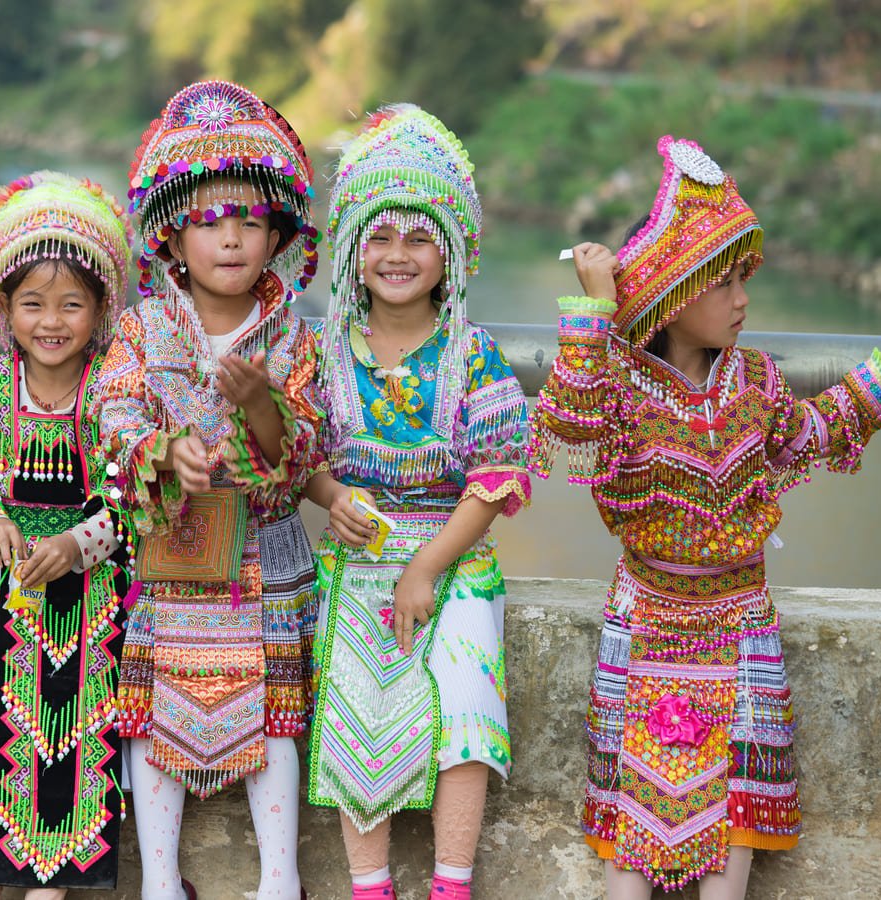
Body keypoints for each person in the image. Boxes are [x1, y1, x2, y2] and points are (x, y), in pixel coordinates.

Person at [530, 135, 881, 897]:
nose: (743, 301)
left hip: (740, 626)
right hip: (645, 628)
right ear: (674, 293)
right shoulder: (620, 394)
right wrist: (594, 309)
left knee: (734, 828)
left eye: (745, 281)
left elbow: (815, 432)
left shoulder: (759, 383)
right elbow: (566, 424)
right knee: (630, 837)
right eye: (725, 283)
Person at [92, 79, 323, 900]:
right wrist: (161, 453)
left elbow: (303, 458)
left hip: (268, 555)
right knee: (154, 718)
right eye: (209, 219)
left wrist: (260, 405)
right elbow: (108, 415)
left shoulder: (295, 333)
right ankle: (159, 881)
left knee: (276, 717)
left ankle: (277, 881)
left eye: (251, 219)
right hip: (174, 554)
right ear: (171, 235)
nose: (232, 238)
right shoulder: (144, 327)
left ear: (278, 234)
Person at [303, 105, 531, 900]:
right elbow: (303, 457)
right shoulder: (323, 350)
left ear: (454, 251)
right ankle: (369, 887)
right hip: (357, 557)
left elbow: (497, 478)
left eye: (419, 237)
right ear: (351, 247)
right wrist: (331, 496)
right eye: (381, 236)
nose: (398, 256)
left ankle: (452, 885)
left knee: (466, 717)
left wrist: (428, 567)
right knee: (355, 718)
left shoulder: (473, 353)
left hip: (454, 558)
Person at [0, 171, 133, 898]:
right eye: (33, 303)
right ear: (4, 308)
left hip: (95, 604)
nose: (52, 321)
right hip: (6, 602)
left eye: (72, 303)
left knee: (75, 767)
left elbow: (138, 493)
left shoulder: (119, 390)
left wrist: (82, 544)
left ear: (102, 307)